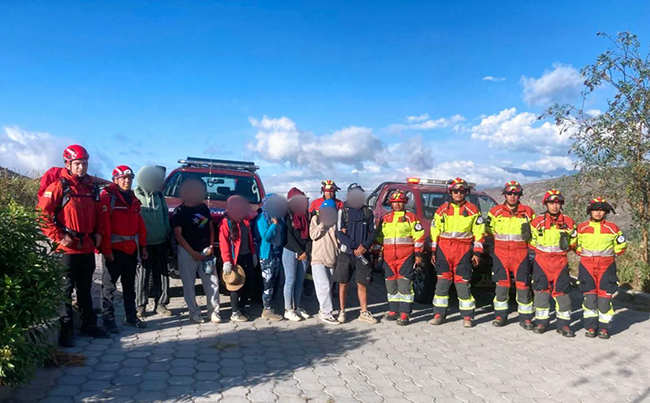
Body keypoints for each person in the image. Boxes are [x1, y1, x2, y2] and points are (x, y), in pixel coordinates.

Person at [38, 145, 109, 346]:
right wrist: (58, 236)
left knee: (85, 289)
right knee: (65, 291)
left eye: (84, 163)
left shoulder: (90, 186)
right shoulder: (60, 186)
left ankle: (89, 324)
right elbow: (42, 215)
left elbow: (97, 215)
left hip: (86, 246)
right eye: (78, 164)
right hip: (67, 248)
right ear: (68, 163)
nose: (81, 167)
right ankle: (66, 331)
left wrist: (98, 234)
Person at [430, 178, 485, 328]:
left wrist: (477, 253)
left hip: (464, 250)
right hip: (444, 250)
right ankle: (438, 314)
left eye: (461, 191)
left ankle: (467, 317)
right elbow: (435, 230)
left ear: (466, 193)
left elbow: (479, 232)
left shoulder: (473, 210)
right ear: (451, 192)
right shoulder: (442, 209)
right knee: (442, 284)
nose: (458, 194)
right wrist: (433, 251)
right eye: (456, 191)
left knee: (462, 284)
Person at [100, 165, 149, 332]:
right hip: (113, 250)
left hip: (131, 250)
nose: (127, 181)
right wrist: (106, 250)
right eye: (123, 178)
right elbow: (104, 226)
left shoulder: (133, 199)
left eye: (129, 178)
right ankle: (108, 320)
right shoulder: (108, 198)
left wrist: (143, 246)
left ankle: (131, 317)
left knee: (129, 286)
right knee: (109, 287)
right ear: (116, 180)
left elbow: (140, 225)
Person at [486, 181, 536, 330]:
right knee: (502, 285)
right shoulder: (495, 212)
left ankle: (526, 318)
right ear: (505, 195)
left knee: (523, 285)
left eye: (516, 194)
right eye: (510, 194)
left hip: (521, 253)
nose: (513, 196)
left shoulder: (528, 212)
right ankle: (500, 316)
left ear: (520, 195)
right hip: (501, 253)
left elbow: (534, 233)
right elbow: (489, 230)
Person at [576, 198, 627, 339]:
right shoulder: (582, 228)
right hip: (587, 266)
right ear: (590, 211)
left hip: (607, 267)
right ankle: (591, 327)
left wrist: (613, 252)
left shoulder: (613, 228)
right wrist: (582, 252)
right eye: (595, 210)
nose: (598, 213)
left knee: (605, 301)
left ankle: (604, 328)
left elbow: (621, 245)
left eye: (601, 210)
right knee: (590, 299)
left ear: (605, 212)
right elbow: (574, 244)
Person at [172, 177, 220, 324]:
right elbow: (178, 235)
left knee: (213, 282)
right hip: (187, 252)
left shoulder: (203, 207)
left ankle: (214, 312)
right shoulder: (179, 211)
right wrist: (192, 253)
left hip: (206, 251)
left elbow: (210, 228)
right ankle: (194, 312)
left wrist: (211, 246)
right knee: (188, 284)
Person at [529, 189, 577, 337]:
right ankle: (542, 323)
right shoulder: (537, 222)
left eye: (557, 203)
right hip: (542, 262)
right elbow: (531, 242)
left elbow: (573, 242)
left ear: (561, 204)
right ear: (546, 204)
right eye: (551, 203)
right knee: (541, 292)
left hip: (560, 263)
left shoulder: (569, 222)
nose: (555, 206)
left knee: (562, 294)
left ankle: (563, 325)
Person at [376, 190, 425, 326]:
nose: (397, 204)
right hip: (389, 257)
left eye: (400, 202)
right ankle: (393, 310)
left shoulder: (411, 218)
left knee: (404, 285)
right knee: (390, 284)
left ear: (405, 203)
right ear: (390, 204)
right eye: (394, 202)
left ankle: (404, 313)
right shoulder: (385, 219)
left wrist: (418, 255)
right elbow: (380, 237)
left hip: (406, 256)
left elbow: (419, 237)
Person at [335, 183, 378, 324]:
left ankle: (364, 312)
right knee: (343, 283)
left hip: (363, 254)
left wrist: (364, 246)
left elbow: (373, 232)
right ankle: (342, 311)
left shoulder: (368, 212)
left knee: (362, 283)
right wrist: (354, 246)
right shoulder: (343, 211)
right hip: (346, 253)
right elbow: (339, 233)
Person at [134, 165, 173, 318]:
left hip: (161, 240)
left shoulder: (159, 196)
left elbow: (165, 215)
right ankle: (140, 306)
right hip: (144, 242)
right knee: (143, 274)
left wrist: (167, 232)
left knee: (162, 274)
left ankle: (161, 304)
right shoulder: (135, 195)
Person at [219, 195, 257, 322]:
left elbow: (249, 239)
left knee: (249, 284)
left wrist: (253, 254)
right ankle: (235, 312)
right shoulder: (226, 222)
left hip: (247, 256)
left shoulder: (246, 220)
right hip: (235, 260)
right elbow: (224, 243)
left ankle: (242, 307)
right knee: (235, 285)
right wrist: (227, 261)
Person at [255, 194, 287, 321]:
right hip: (266, 255)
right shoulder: (261, 218)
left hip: (277, 253)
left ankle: (271, 305)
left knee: (274, 281)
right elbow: (266, 237)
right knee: (267, 282)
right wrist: (274, 225)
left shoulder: (279, 217)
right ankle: (266, 309)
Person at [309, 199, 341, 325]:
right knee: (324, 286)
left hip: (332, 259)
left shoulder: (336, 223)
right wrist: (322, 224)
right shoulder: (315, 220)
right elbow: (313, 235)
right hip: (318, 259)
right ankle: (325, 312)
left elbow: (338, 241)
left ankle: (325, 309)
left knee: (329, 286)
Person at [283, 187, 312, 321]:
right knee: (290, 280)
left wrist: (306, 251)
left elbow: (309, 236)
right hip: (290, 251)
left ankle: (297, 306)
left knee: (300, 281)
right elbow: (288, 235)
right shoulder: (287, 215)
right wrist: (299, 251)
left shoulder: (307, 215)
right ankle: (288, 309)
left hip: (304, 253)